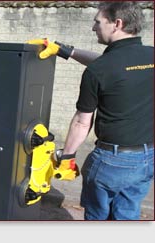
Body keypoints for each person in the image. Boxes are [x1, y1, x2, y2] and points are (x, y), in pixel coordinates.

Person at [53, 2, 153, 220]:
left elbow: (82, 122)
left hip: (112, 161)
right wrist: (69, 51)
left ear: (117, 24)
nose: (93, 27)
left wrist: (67, 155)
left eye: (97, 22)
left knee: (97, 217)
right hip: (147, 157)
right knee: (127, 215)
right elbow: (112, 66)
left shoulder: (98, 71)